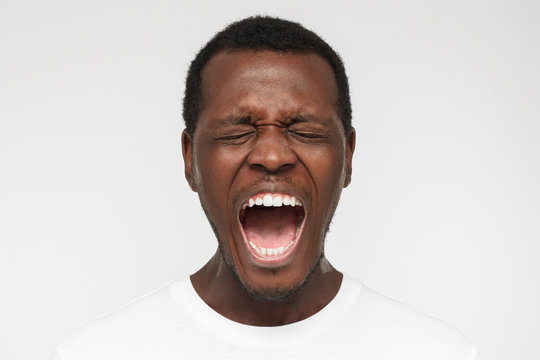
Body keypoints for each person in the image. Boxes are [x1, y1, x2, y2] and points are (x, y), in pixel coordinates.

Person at [53, 16, 480, 359]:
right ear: (190, 160)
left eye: (305, 130)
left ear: (348, 156)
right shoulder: (96, 353)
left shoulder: (437, 353)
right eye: (237, 132)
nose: (272, 156)